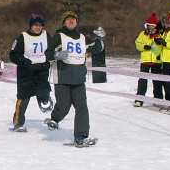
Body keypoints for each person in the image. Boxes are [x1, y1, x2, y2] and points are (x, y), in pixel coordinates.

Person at [44, 11, 104, 146]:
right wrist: (57, 55)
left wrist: (100, 39)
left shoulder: (82, 37)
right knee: (64, 106)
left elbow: (95, 49)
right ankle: (54, 119)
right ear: (63, 22)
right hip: (63, 77)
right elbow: (48, 53)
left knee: (81, 107)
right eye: (68, 19)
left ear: (77, 22)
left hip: (78, 78)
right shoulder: (59, 36)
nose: (71, 21)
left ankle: (81, 136)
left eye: (73, 19)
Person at [9, 14, 54, 132]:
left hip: (42, 69)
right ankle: (18, 123)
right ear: (30, 26)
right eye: (35, 25)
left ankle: (45, 102)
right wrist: (24, 62)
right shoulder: (22, 37)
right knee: (24, 98)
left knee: (44, 89)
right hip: (26, 70)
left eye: (40, 25)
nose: (38, 27)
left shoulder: (46, 35)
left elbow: (52, 49)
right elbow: (13, 55)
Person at [134, 13, 164, 106]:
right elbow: (137, 43)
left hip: (156, 60)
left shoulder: (160, 34)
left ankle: (158, 99)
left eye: (153, 25)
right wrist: (144, 46)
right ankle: (139, 99)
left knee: (157, 81)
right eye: (149, 25)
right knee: (142, 80)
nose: (150, 27)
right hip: (145, 60)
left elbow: (163, 46)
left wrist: (160, 55)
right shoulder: (142, 34)